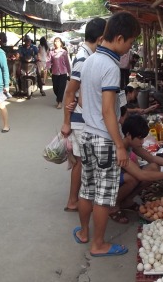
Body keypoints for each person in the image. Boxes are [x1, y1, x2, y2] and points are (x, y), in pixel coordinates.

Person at [74, 11, 141, 257]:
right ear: (120, 37)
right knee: (103, 197)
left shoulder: (90, 59)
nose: (130, 48)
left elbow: (81, 100)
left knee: (86, 189)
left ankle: (84, 233)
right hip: (104, 138)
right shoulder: (110, 66)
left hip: (87, 136)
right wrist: (120, 145)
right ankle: (99, 244)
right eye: (131, 42)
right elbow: (108, 112)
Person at [60, 17, 107, 212]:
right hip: (79, 121)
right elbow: (70, 91)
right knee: (80, 162)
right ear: (101, 38)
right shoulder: (83, 58)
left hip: (82, 118)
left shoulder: (87, 55)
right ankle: (73, 201)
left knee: (82, 161)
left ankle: (77, 199)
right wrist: (66, 123)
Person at [108, 115, 163, 223]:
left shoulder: (132, 143)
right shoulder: (120, 148)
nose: (142, 142)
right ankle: (113, 205)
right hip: (109, 180)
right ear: (128, 135)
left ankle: (127, 200)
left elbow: (150, 158)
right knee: (132, 178)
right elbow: (141, 175)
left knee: (154, 167)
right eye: (140, 138)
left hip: (122, 174)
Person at [48, 37, 71, 109]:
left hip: (63, 72)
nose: (56, 43)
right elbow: (48, 61)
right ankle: (58, 97)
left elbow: (67, 62)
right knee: (55, 88)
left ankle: (59, 102)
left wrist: (69, 72)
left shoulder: (64, 52)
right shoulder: (51, 52)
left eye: (57, 41)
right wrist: (48, 67)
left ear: (60, 43)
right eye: (55, 41)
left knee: (61, 88)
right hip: (55, 73)